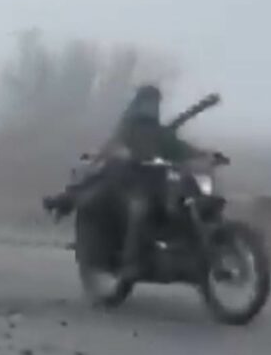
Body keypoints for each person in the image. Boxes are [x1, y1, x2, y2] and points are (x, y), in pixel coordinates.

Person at [44, 85, 206, 280]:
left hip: (157, 184)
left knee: (186, 202)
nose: (151, 107)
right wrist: (120, 155)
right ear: (139, 102)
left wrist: (205, 155)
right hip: (131, 183)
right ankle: (131, 263)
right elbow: (113, 146)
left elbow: (178, 148)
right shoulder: (127, 128)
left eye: (155, 102)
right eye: (148, 101)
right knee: (140, 210)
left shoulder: (159, 132)